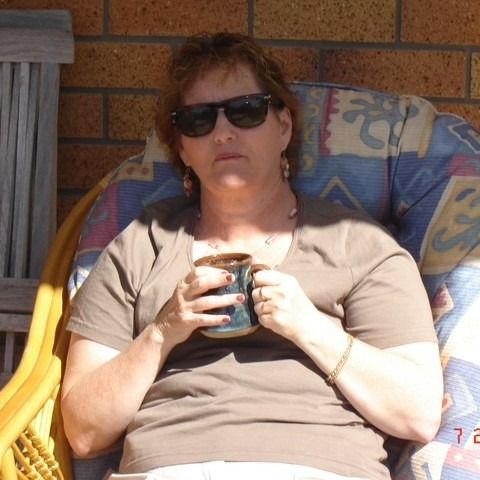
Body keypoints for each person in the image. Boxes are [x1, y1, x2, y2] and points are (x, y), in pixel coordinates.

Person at [61, 32, 444, 480]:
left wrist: (309, 326)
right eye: (199, 120)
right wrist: (164, 331)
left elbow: (418, 413)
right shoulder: (141, 244)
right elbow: (84, 431)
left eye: (246, 110)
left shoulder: (359, 245)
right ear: (182, 147)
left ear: (284, 126)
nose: (223, 132)